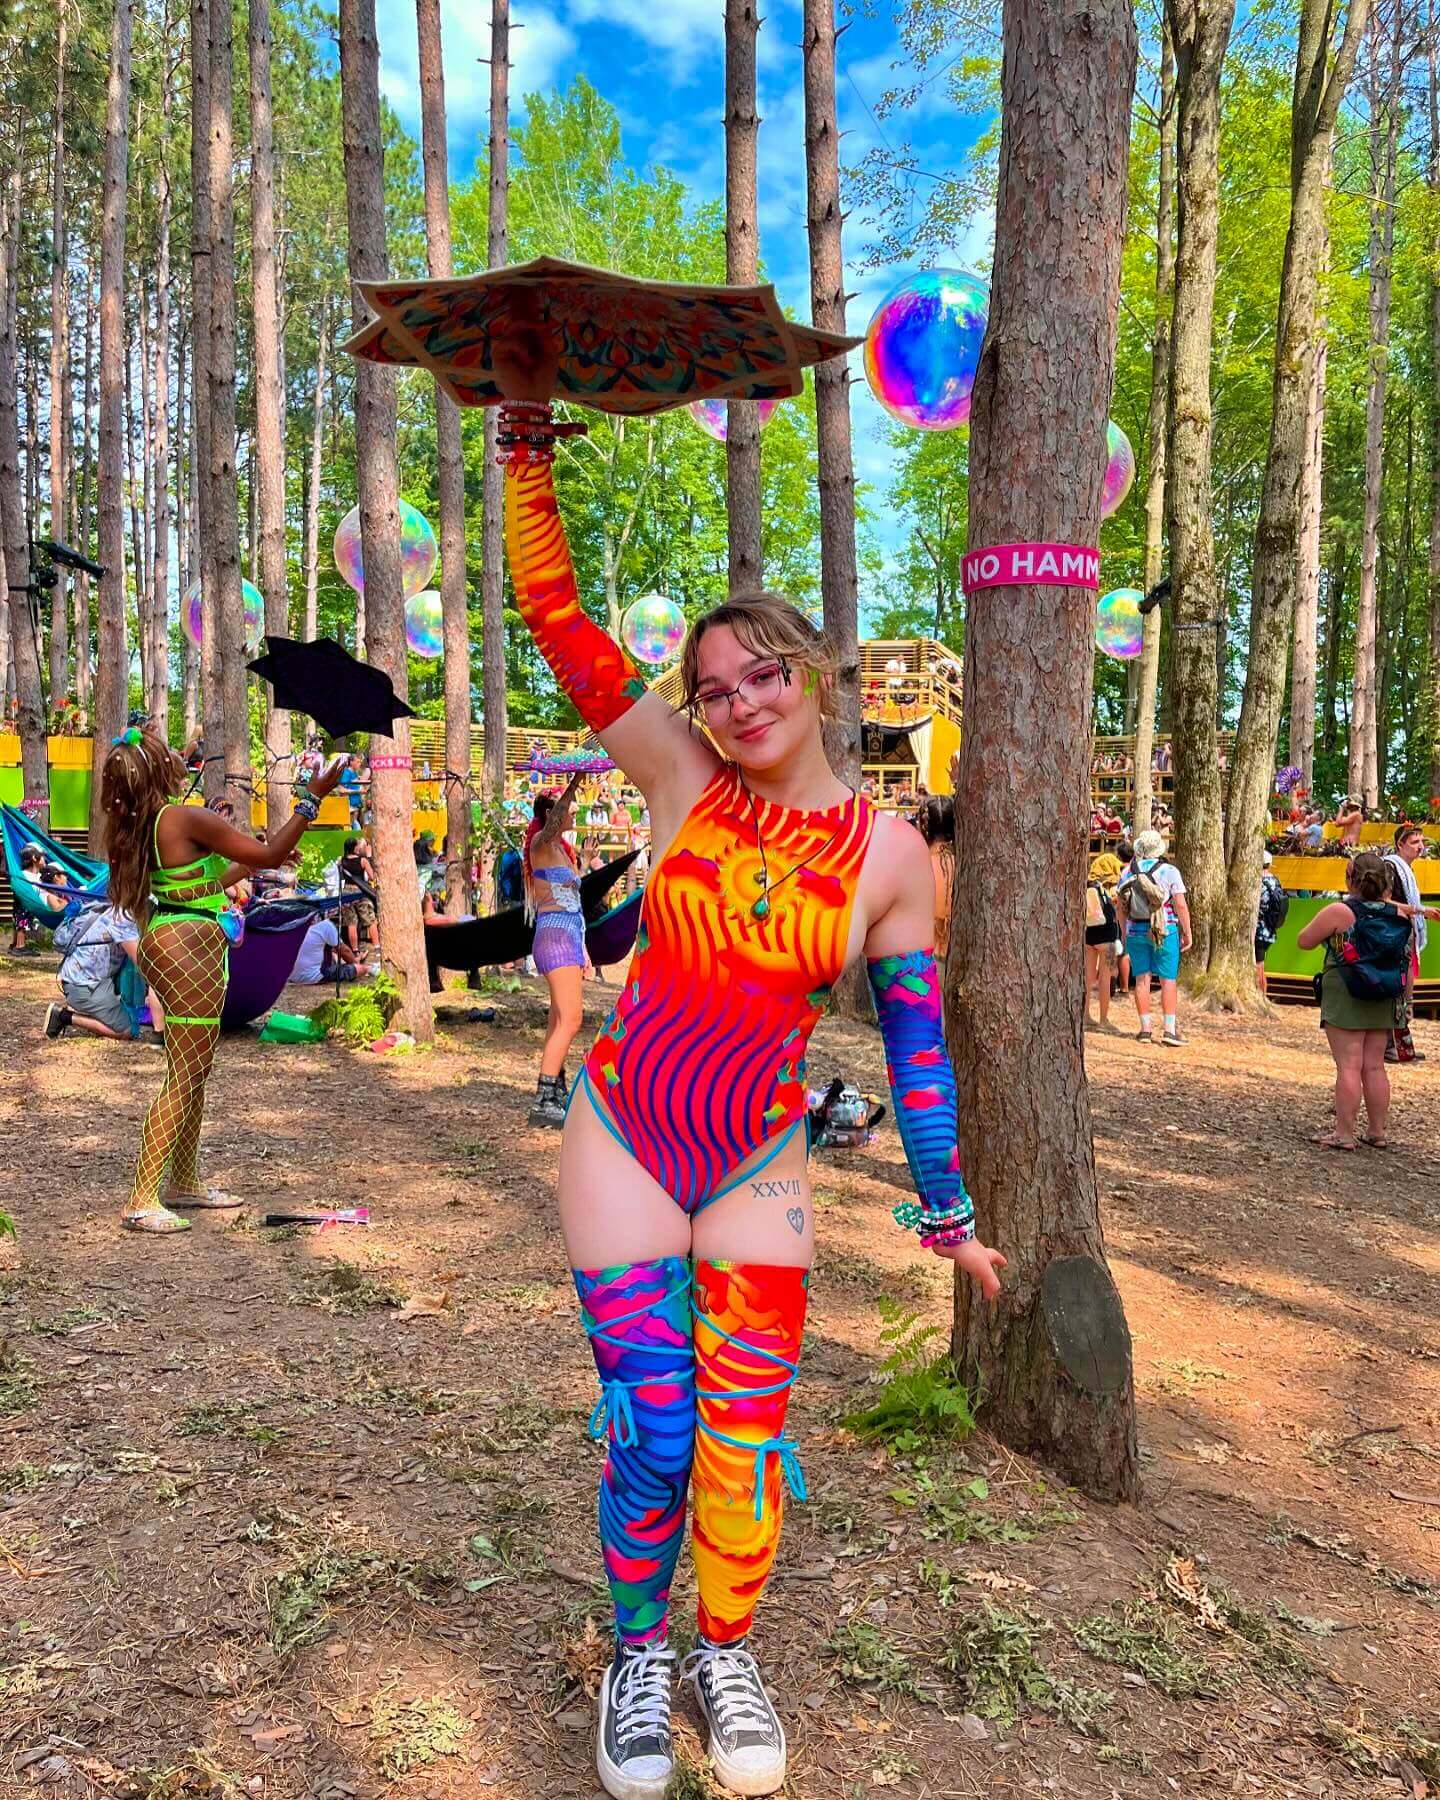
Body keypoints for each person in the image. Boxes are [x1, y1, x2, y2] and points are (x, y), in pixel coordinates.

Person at [496, 392, 1003, 1800]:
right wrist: (526, 452)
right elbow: (558, 619)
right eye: (714, 686)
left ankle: (726, 1646)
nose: (738, 703)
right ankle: (639, 1653)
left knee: (747, 1430)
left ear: (815, 678)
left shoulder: (897, 857)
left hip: (758, 1160)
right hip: (627, 1139)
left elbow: (915, 1048)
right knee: (652, 1422)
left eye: (762, 675)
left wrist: (946, 1209)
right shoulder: (675, 778)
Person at [101, 727, 341, 1232]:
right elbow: (271, 855)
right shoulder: (183, 815)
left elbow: (198, 884)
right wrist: (310, 798)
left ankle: (183, 1181)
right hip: (189, 948)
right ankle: (142, 1197)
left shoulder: (151, 821)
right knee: (185, 1074)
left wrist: (252, 859)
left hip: (175, 936)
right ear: (156, 767)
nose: (177, 755)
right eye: (168, 751)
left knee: (194, 1067)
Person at [1297, 851, 1418, 1150]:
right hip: (1386, 991)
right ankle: (1377, 1131)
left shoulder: (1339, 912)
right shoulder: (1402, 915)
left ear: (1351, 879)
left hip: (1347, 990)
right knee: (1375, 1065)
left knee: (1348, 1065)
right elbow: (1408, 958)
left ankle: (1344, 1133)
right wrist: (1407, 1000)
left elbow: (1304, 940)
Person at [524, 772, 587, 1127]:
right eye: (568, 811)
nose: (572, 815)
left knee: (560, 1020)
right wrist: (575, 782)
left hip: (569, 937)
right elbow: (548, 829)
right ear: (552, 814)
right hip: (556, 938)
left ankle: (557, 1088)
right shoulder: (541, 845)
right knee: (573, 1019)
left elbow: (574, 899)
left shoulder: (561, 851)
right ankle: (543, 1099)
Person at [44, 904, 163, 1042]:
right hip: (84, 986)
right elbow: (145, 963)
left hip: (85, 978)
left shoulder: (115, 908)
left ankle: (104, 1010)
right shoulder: (123, 922)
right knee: (127, 1030)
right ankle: (63, 1017)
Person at [1117, 828, 1192, 1047]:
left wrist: (1123, 934)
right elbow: (1180, 904)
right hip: (1164, 930)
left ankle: (1145, 1029)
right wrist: (1187, 932)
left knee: (1142, 979)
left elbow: (1122, 907)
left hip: (1135, 931)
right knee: (1168, 979)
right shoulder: (1169, 871)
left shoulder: (1128, 872)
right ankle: (1169, 1030)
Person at [1384, 824, 1440, 1063]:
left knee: (1406, 994)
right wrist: (1420, 910)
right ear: (1400, 844)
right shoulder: (1390, 866)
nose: (1421, 847)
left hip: (1406, 935)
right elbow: (1384, 901)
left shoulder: (1406, 870)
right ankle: (1390, 1046)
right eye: (1415, 842)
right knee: (1396, 992)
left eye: (1421, 842)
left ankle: (1403, 1045)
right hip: (1393, 935)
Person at [914, 796, 954, 967]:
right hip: (957, 958)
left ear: (923, 826)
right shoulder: (967, 865)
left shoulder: (915, 867)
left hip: (922, 963)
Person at [1084, 855, 1120, 1031]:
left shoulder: (1086, 884)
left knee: (1087, 977)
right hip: (1109, 938)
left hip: (1089, 936)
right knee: (1106, 977)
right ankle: (1104, 1020)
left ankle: (1085, 1015)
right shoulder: (1111, 886)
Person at [339, 836, 379, 961]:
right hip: (360, 892)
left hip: (346, 893)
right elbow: (372, 877)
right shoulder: (363, 861)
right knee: (370, 920)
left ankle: (355, 950)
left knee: (351, 922)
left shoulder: (341, 860)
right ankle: (377, 947)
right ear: (355, 847)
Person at [290, 912, 358, 986]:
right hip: (314, 977)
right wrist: (356, 964)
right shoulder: (325, 925)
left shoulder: (287, 925)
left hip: (290, 976)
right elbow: (345, 951)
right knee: (361, 968)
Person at [1254, 850, 1288, 997]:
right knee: (1259, 963)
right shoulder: (1275, 880)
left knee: (1259, 966)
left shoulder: (1257, 882)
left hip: (1259, 930)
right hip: (1270, 929)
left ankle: (1262, 996)